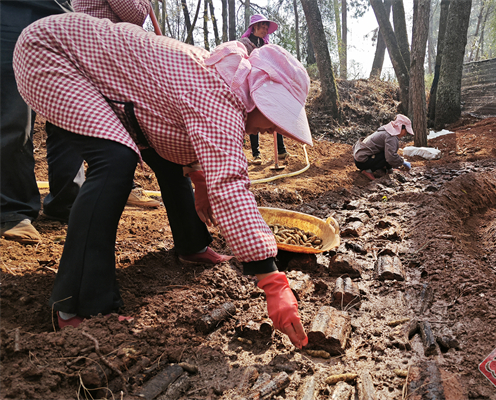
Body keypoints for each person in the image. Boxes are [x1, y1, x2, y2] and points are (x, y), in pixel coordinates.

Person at [14, 13, 312, 349]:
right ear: (258, 94)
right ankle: (77, 305)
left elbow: (177, 136)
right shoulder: (219, 94)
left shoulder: (225, 81)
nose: (275, 129)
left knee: (162, 155)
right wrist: (273, 282)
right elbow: (230, 183)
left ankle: (192, 244)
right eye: (275, 116)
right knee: (115, 160)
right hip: (52, 54)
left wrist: (199, 181)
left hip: (111, 83)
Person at [0, 0, 83, 244]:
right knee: (13, 113)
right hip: (7, 11)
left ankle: (68, 202)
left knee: (73, 113)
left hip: (61, 11)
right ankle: (13, 209)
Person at [70, 0, 161, 209]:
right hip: (104, 57)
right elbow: (134, 13)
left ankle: (75, 195)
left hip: (93, 52)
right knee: (119, 129)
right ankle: (120, 188)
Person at [239, 14, 289, 165]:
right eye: (262, 27)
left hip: (266, 84)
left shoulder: (266, 46)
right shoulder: (243, 44)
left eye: (267, 27)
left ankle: (280, 150)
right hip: (250, 84)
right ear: (254, 27)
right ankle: (256, 154)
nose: (265, 30)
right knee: (253, 116)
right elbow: (240, 61)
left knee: (274, 114)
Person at [353, 114, 414, 181]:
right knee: (389, 155)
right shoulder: (391, 136)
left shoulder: (387, 131)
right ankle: (368, 171)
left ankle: (387, 169)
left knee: (388, 151)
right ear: (401, 127)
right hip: (363, 161)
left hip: (360, 158)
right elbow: (391, 157)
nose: (405, 134)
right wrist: (402, 162)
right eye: (406, 131)